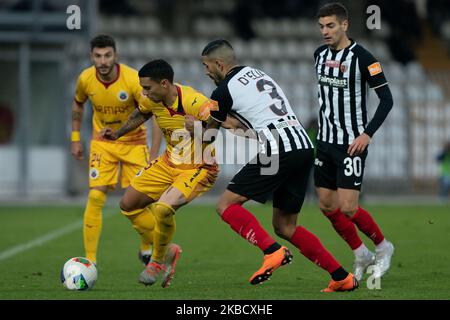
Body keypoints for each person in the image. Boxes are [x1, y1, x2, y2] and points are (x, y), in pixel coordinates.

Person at [199, 39, 358, 292]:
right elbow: (249, 123)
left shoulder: (222, 91)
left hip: (278, 148)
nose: (206, 72)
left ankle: (272, 251)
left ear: (219, 64)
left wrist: (197, 136)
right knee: (285, 226)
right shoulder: (258, 74)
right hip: (303, 146)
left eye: (207, 66)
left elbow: (210, 133)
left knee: (225, 205)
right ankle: (342, 277)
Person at [100, 59, 221, 288]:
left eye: (147, 88)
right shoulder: (153, 99)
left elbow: (218, 128)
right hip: (169, 163)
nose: (144, 93)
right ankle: (167, 248)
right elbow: (140, 114)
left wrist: (198, 127)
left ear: (164, 84)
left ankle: (157, 261)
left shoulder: (195, 101)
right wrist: (117, 134)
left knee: (163, 209)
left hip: (199, 167)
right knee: (128, 203)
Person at [313, 2, 395, 282]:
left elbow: (387, 99)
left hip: (351, 143)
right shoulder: (318, 55)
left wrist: (367, 134)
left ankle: (383, 247)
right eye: (322, 26)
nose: (325, 31)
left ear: (344, 25)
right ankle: (361, 252)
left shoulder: (364, 58)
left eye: (331, 25)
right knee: (326, 205)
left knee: (348, 207)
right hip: (324, 142)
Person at [71, 35, 163, 265]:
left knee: (142, 202)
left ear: (116, 56)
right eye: (98, 56)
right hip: (103, 144)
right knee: (95, 196)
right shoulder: (85, 79)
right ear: (91, 57)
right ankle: (90, 261)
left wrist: (153, 153)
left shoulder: (132, 80)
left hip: (134, 144)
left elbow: (154, 113)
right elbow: (78, 103)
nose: (102, 61)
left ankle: (147, 245)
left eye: (107, 55)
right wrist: (75, 139)